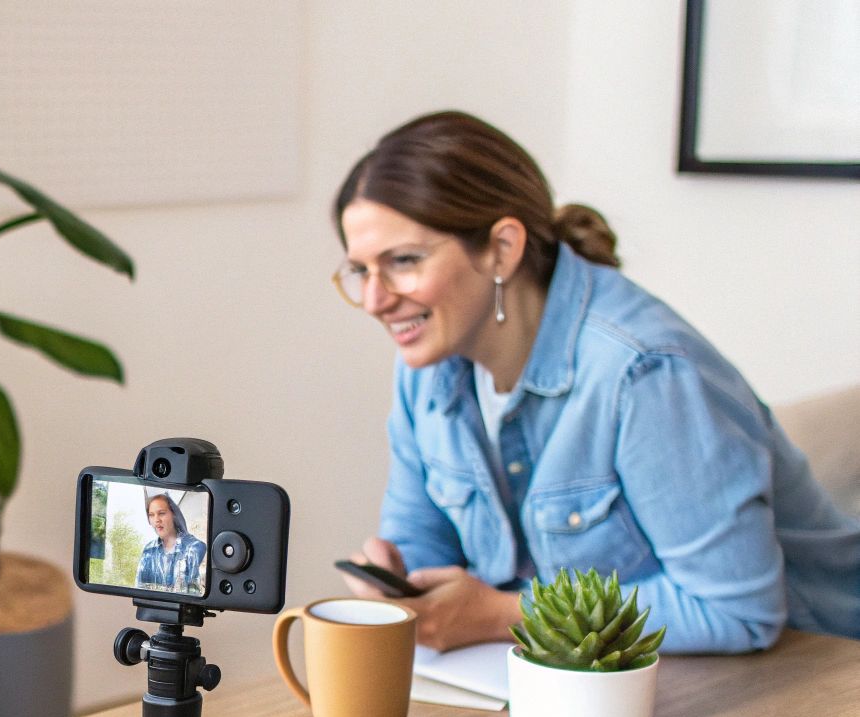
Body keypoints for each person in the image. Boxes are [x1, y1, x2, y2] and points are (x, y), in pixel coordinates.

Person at [332, 111, 860, 653]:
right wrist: (403, 586)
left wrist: (501, 616)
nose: (375, 300)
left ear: (502, 249)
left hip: (812, 681)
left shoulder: (643, 371)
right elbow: (422, 543)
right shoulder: (427, 367)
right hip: (595, 683)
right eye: (360, 271)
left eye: (403, 261)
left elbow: (736, 611)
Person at [136, 492, 207, 595]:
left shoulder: (194, 547)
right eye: (151, 515)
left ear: (174, 514)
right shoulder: (148, 551)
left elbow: (195, 593)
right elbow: (139, 590)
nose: (156, 520)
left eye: (161, 513)